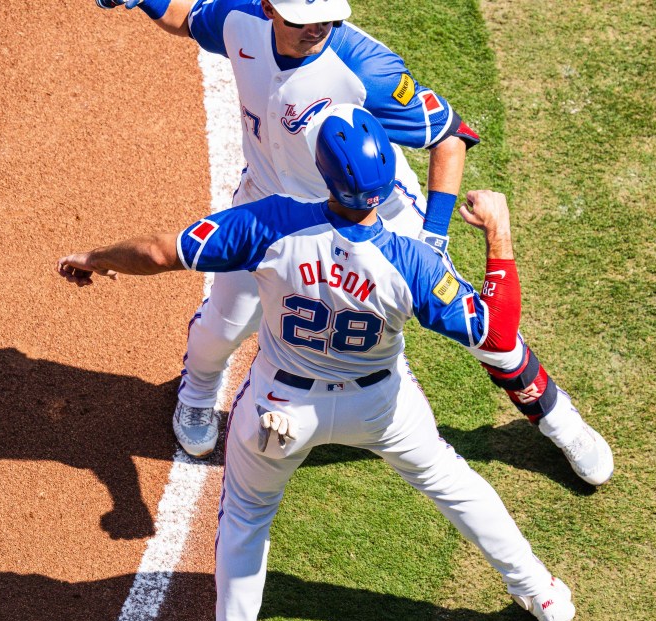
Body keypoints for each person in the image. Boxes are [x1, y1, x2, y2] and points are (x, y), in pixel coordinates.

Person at [57, 105, 580, 621]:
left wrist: (96, 258)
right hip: (380, 407)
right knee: (452, 483)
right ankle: (540, 593)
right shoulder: (412, 262)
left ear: (324, 174)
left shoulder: (272, 223)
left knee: (246, 520)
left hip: (280, 408)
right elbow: (499, 334)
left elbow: (157, 252)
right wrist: (498, 233)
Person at [93, 0, 613, 485]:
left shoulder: (366, 68)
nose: (318, 28)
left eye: (327, 16)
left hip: (377, 213)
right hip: (271, 213)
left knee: (484, 332)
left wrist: (433, 237)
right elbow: (188, 18)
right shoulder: (239, 20)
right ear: (270, 8)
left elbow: (449, 135)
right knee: (224, 325)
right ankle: (197, 394)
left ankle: (559, 420)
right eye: (304, 19)